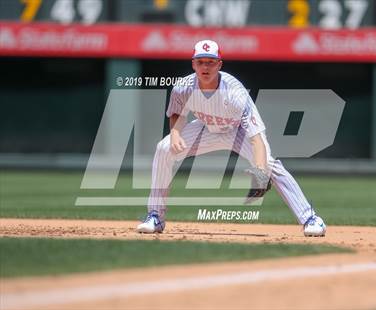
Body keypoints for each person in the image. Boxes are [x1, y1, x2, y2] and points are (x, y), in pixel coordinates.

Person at [136, 39, 326, 237]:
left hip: (238, 132)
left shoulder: (235, 93)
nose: (205, 67)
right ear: (193, 64)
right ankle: (155, 216)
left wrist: (260, 174)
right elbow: (177, 113)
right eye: (200, 62)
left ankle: (311, 219)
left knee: (270, 165)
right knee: (163, 148)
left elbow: (257, 139)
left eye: (210, 62)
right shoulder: (183, 87)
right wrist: (175, 134)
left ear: (220, 64)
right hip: (206, 128)